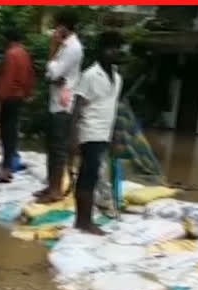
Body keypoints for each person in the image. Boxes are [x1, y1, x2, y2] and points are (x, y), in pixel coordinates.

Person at [69, 31, 124, 234]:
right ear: (101, 51)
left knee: (93, 177)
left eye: (118, 47)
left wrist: (116, 136)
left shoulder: (117, 78)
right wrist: (73, 138)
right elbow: (77, 107)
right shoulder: (90, 75)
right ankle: (83, 221)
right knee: (87, 177)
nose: (115, 51)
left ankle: (84, 220)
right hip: (89, 132)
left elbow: (114, 107)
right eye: (111, 47)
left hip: (105, 133)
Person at [35, 8, 84, 204]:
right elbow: (52, 76)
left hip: (63, 105)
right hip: (56, 101)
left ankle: (55, 190)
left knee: (58, 148)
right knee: (52, 147)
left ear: (64, 26)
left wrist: (52, 49)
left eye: (57, 26)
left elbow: (52, 74)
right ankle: (50, 186)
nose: (55, 30)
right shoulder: (66, 45)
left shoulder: (72, 48)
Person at [0, 26, 35, 184]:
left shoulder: (11, 54)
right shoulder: (25, 54)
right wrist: (28, 93)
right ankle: (7, 165)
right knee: (13, 131)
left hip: (9, 97)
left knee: (6, 132)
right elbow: (30, 75)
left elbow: (7, 79)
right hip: (19, 97)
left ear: (7, 40)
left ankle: (6, 169)